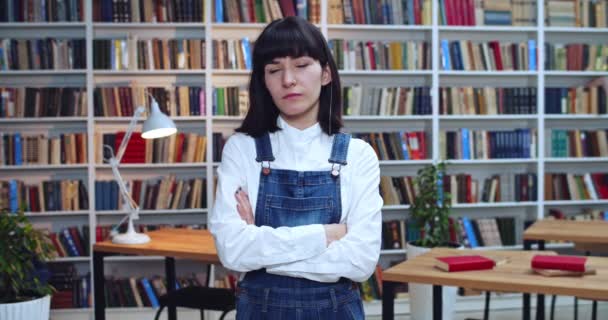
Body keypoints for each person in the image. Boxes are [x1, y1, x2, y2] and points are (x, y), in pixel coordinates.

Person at [208, 16, 383, 319]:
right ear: (264, 81)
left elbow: (361, 261)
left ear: (326, 73)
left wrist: (262, 249)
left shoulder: (359, 154)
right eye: (274, 70)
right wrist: (327, 234)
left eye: (301, 65)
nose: (288, 79)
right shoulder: (242, 149)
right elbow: (232, 252)